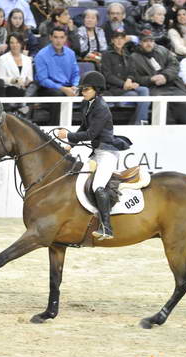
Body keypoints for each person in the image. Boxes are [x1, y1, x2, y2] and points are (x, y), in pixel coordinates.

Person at [57, 71, 131, 240]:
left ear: (97, 90)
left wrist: (67, 135)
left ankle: (107, 227)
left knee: (97, 185)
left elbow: (90, 134)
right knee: (79, 179)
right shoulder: (87, 104)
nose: (83, 92)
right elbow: (83, 128)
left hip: (108, 153)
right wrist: (70, 145)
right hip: (97, 152)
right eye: (82, 90)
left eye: (86, 89)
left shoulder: (102, 108)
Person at [131, 34, 186, 124]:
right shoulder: (134, 57)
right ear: (140, 43)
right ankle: (166, 133)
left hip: (172, 85)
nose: (149, 44)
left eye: (151, 41)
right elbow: (135, 78)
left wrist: (165, 76)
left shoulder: (162, 50)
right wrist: (151, 79)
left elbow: (174, 65)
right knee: (164, 107)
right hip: (153, 88)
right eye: (145, 41)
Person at [101, 30, 150, 125]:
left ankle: (141, 122)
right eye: (117, 38)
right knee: (135, 96)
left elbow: (132, 72)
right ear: (112, 40)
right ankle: (138, 122)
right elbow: (107, 76)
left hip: (127, 86)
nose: (119, 41)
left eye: (122, 38)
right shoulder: (106, 55)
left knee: (144, 90)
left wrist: (129, 80)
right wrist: (124, 84)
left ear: (125, 40)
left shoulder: (128, 54)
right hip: (114, 89)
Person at [34, 26, 79, 126]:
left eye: (61, 37)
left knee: (89, 92)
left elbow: (75, 74)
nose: (58, 41)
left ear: (65, 38)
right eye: (56, 37)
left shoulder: (70, 53)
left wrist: (75, 86)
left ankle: (84, 130)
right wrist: (63, 89)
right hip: (47, 88)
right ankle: (54, 127)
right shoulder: (42, 55)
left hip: (68, 86)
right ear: (50, 37)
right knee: (58, 94)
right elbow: (43, 80)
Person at [0, 32, 34, 113]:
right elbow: (0, 79)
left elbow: (30, 78)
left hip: (24, 89)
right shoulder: (2, 59)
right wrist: (13, 80)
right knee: (14, 89)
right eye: (12, 43)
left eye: (17, 42)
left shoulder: (27, 59)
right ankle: (22, 109)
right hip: (9, 89)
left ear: (21, 44)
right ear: (9, 44)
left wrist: (27, 82)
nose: (14, 45)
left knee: (33, 87)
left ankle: (23, 108)